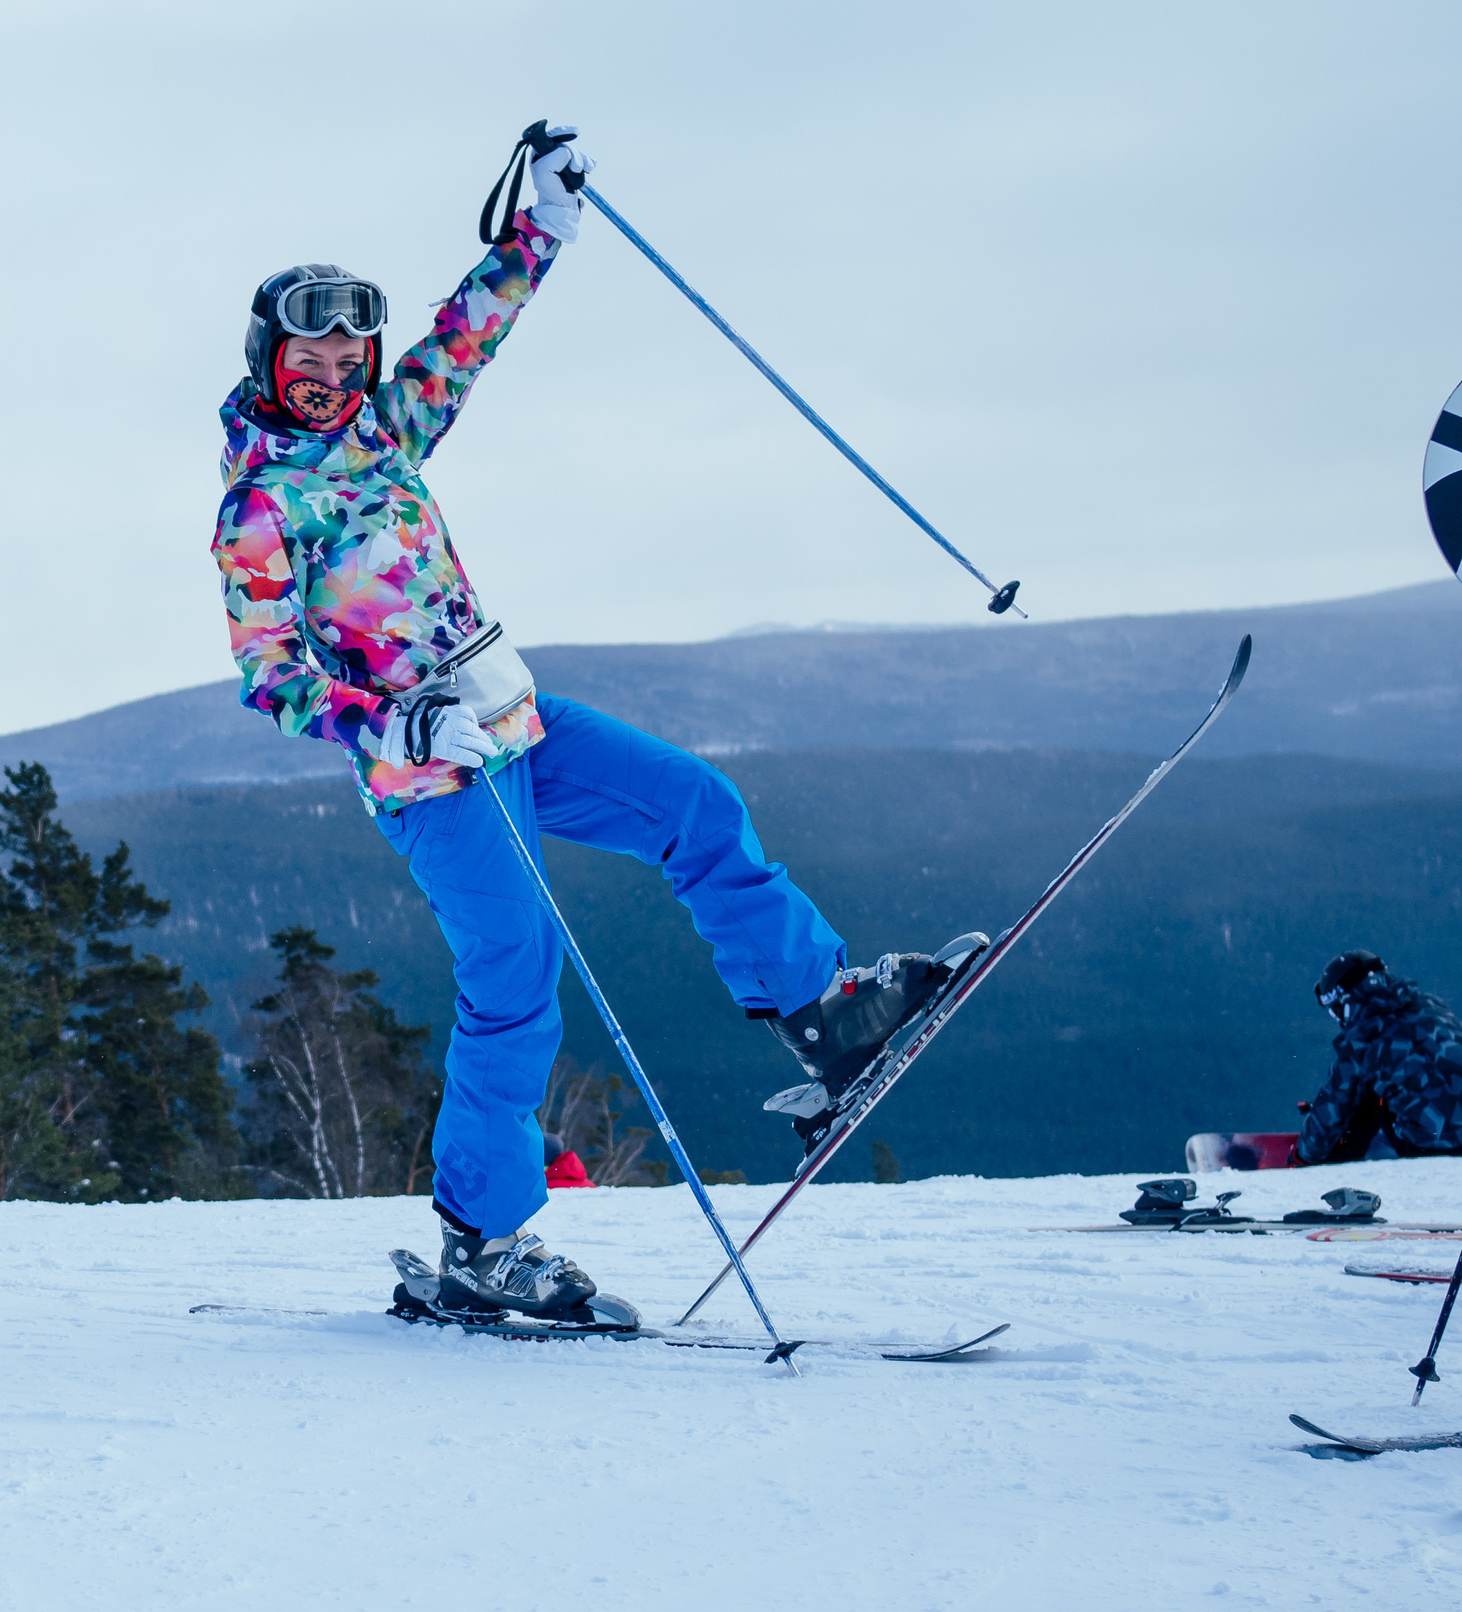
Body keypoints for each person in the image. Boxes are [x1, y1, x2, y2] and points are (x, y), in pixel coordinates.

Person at [209, 123, 977, 1322]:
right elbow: (268, 673)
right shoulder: (260, 504)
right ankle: (483, 1240)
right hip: (434, 771)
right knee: (516, 972)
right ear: (270, 354)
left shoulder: (384, 434)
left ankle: (823, 1015)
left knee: (694, 805)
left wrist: (541, 225)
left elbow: (466, 336)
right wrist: (394, 729)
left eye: (352, 349)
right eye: (312, 350)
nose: (336, 368)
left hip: (511, 715)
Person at [1296, 951, 1462, 1164]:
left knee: (1364, 1093)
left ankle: (1335, 1164)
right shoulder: (1433, 1008)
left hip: (1434, 1145)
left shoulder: (1363, 1037)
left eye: (1335, 1011)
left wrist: (1300, 1156)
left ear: (1345, 1002)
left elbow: (1333, 1105)